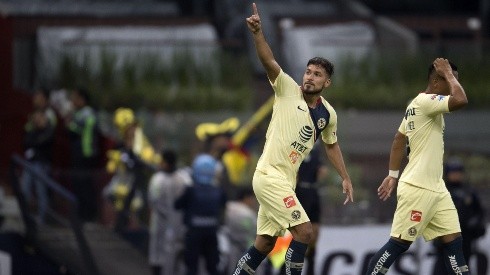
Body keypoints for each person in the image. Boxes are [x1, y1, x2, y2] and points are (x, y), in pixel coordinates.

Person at [232, 3, 354, 275]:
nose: (310, 78)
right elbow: (268, 61)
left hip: (287, 181)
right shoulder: (288, 90)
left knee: (264, 244)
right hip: (269, 176)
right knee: (304, 231)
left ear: (327, 83)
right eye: (308, 72)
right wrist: (257, 34)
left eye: (317, 75)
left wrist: (345, 176)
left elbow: (331, 144)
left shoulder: (327, 113)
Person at [366, 58, 470, 274]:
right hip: (418, 187)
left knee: (454, 243)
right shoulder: (426, 102)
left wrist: (392, 174)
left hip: (437, 188)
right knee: (398, 244)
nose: (453, 86)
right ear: (435, 82)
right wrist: (449, 73)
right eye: (450, 80)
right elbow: (461, 100)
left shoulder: (416, 104)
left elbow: (398, 140)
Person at [175, 154, 227, 275]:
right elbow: (223, 205)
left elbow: (177, 205)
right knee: (213, 267)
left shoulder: (190, 189)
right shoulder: (218, 190)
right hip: (212, 232)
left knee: (191, 267)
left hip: (193, 232)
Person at [432, 159, 486, 275]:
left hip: (465, 238)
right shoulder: (441, 191)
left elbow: (479, 213)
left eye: (458, 172)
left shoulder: (469, 192)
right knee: (442, 268)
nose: (456, 175)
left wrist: (475, 224)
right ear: (447, 173)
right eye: (453, 172)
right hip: (444, 239)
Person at [148, 149, 192, 275]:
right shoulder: (184, 179)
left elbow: (152, 200)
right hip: (175, 222)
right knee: (169, 252)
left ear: (165, 163)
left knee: (160, 253)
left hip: (164, 221)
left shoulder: (157, 179)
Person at [65, 87, 100, 222]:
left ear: (82, 99)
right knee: (79, 186)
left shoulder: (87, 114)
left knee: (85, 186)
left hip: (86, 155)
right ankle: (82, 215)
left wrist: (69, 123)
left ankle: (88, 216)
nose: (72, 101)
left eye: (75, 98)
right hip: (79, 154)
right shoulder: (79, 113)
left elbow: (77, 129)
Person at [295, 142, 328, 275]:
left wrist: (321, 170)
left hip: (314, 192)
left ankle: (311, 266)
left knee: (315, 232)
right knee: (298, 232)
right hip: (300, 192)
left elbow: (321, 168)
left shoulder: (317, 146)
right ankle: (289, 268)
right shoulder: (296, 141)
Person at [21, 108, 56, 223]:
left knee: (41, 191)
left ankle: (42, 219)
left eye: (39, 117)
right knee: (24, 189)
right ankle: (26, 217)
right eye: (35, 117)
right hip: (30, 163)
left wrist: (35, 144)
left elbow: (42, 142)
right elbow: (26, 142)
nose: (37, 120)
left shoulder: (48, 130)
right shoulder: (32, 130)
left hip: (42, 164)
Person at [224, 186, 259, 274]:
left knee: (231, 270)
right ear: (247, 198)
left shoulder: (228, 207)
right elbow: (255, 231)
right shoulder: (248, 214)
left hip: (228, 245)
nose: (253, 201)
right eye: (253, 198)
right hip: (246, 246)